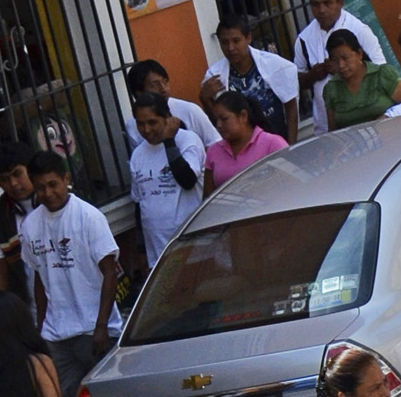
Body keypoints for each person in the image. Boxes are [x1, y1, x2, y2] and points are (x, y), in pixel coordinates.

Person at [20, 149, 121, 397]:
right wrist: (41, 328)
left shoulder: (89, 217)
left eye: (53, 184)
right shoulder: (31, 226)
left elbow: (110, 273)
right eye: (40, 187)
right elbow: (39, 279)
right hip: (57, 335)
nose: (48, 193)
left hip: (93, 331)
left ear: (66, 178)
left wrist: (101, 326)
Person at [292, 0, 384, 134]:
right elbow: (295, 82)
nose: (321, 10)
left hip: (366, 123)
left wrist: (345, 68)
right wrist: (313, 75)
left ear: (340, 2)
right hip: (326, 129)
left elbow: (382, 73)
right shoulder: (304, 39)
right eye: (315, 4)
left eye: (327, 3)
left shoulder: (359, 31)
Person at [129, 94, 206, 268]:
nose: (146, 130)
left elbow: (187, 180)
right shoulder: (138, 155)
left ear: (168, 119)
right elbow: (138, 204)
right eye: (140, 124)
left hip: (193, 248)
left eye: (152, 122)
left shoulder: (188, 141)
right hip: (157, 255)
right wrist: (142, 249)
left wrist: (169, 141)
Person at [202, 11, 298, 143]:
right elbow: (219, 122)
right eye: (224, 42)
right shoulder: (214, 75)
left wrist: (290, 146)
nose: (230, 48)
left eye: (236, 41)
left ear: (248, 38)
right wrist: (205, 99)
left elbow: (291, 106)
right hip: (242, 148)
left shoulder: (274, 64)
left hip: (277, 141)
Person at [323, 27, 401, 129]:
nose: (341, 65)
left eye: (345, 58)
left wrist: (388, 117)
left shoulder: (382, 74)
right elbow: (333, 131)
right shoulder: (331, 89)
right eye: (335, 60)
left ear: (359, 54)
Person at [0, 137, 35, 299]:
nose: (14, 183)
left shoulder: (58, 201)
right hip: (35, 312)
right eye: (4, 179)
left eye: (17, 174)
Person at [202, 92, 289, 195]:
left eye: (224, 119)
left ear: (243, 116)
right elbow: (208, 199)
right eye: (216, 120)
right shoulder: (214, 151)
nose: (219, 125)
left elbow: (292, 184)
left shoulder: (273, 144)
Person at [124, 60, 215, 154]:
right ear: (140, 93)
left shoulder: (190, 110)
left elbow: (215, 144)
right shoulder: (132, 126)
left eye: (165, 82)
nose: (163, 89)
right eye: (155, 85)